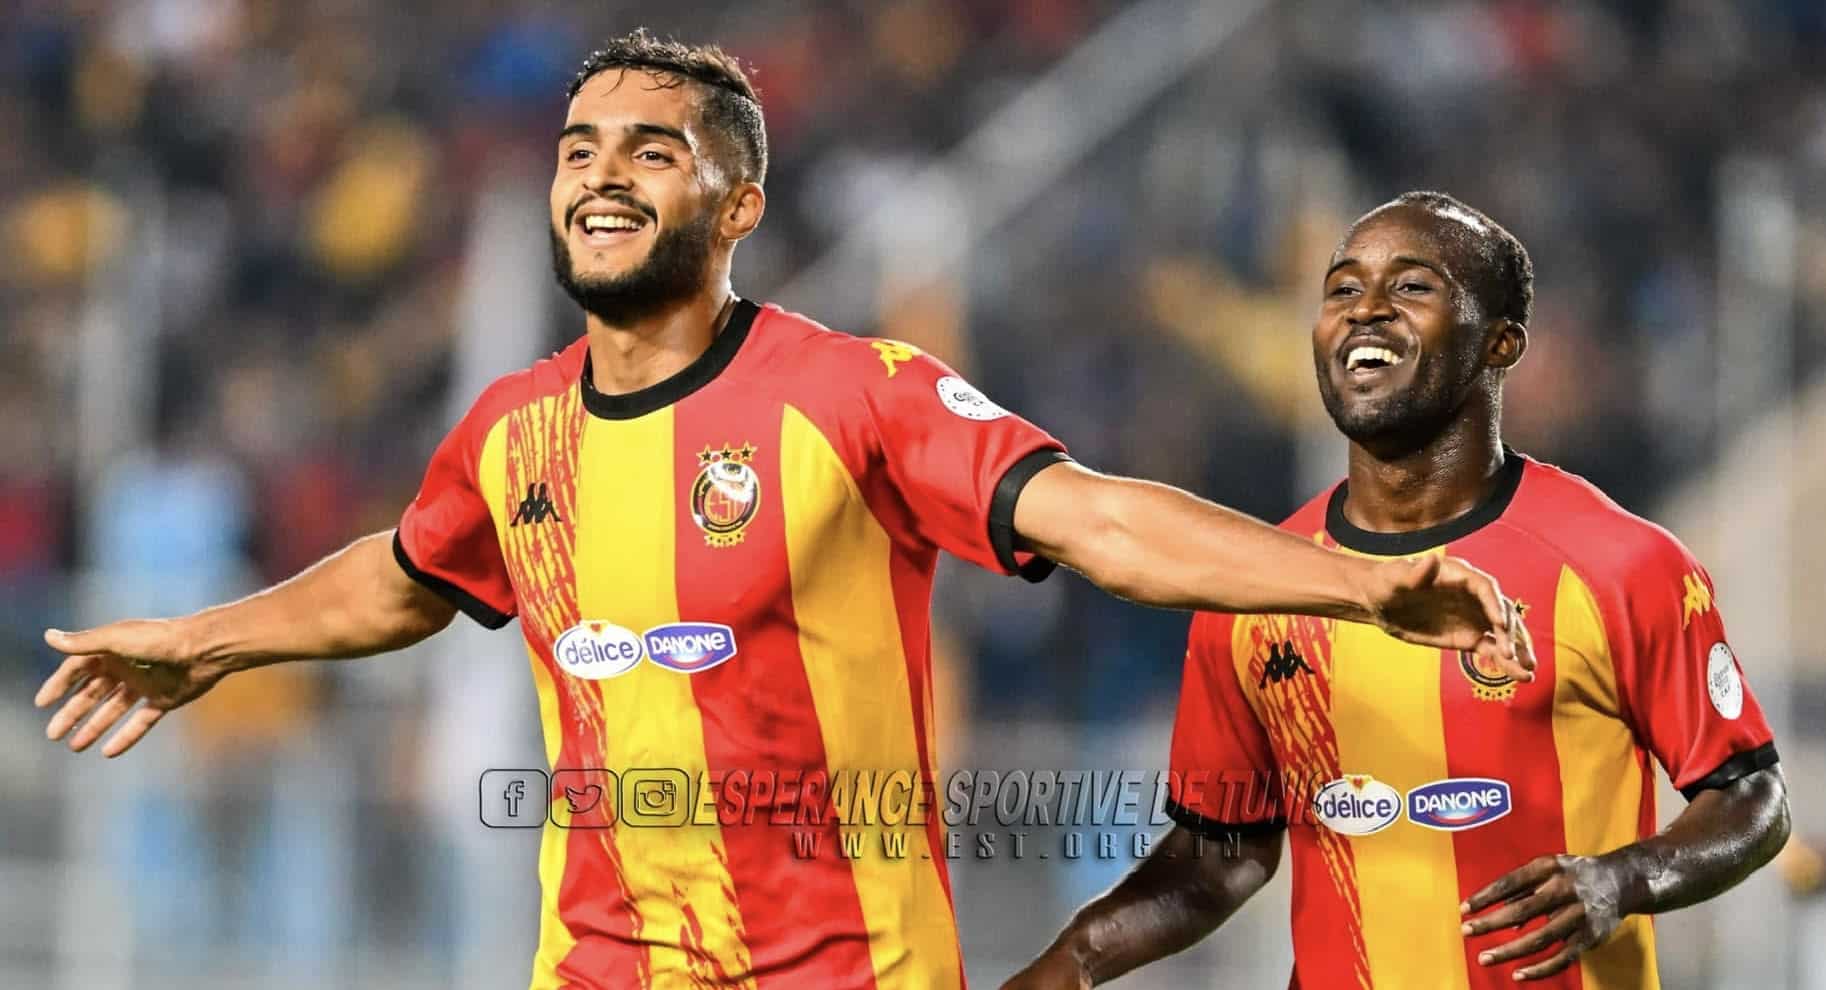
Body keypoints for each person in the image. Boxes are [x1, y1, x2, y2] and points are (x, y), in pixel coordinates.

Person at [33, 35, 1529, 989]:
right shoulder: (511, 431)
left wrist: (1351, 582)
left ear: (736, 206)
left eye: (651, 152)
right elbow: (406, 577)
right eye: (578, 150)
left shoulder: (853, 396)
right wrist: (207, 643)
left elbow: (1094, 523)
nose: (601, 177)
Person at [1002, 191, 1792, 990]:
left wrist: (1619, 880)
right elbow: (1219, 857)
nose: (1366, 309)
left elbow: (1751, 796)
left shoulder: (1618, 563)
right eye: (1342, 289)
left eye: (1412, 286)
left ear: (1500, 342)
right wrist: (1066, 966)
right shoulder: (1256, 586)